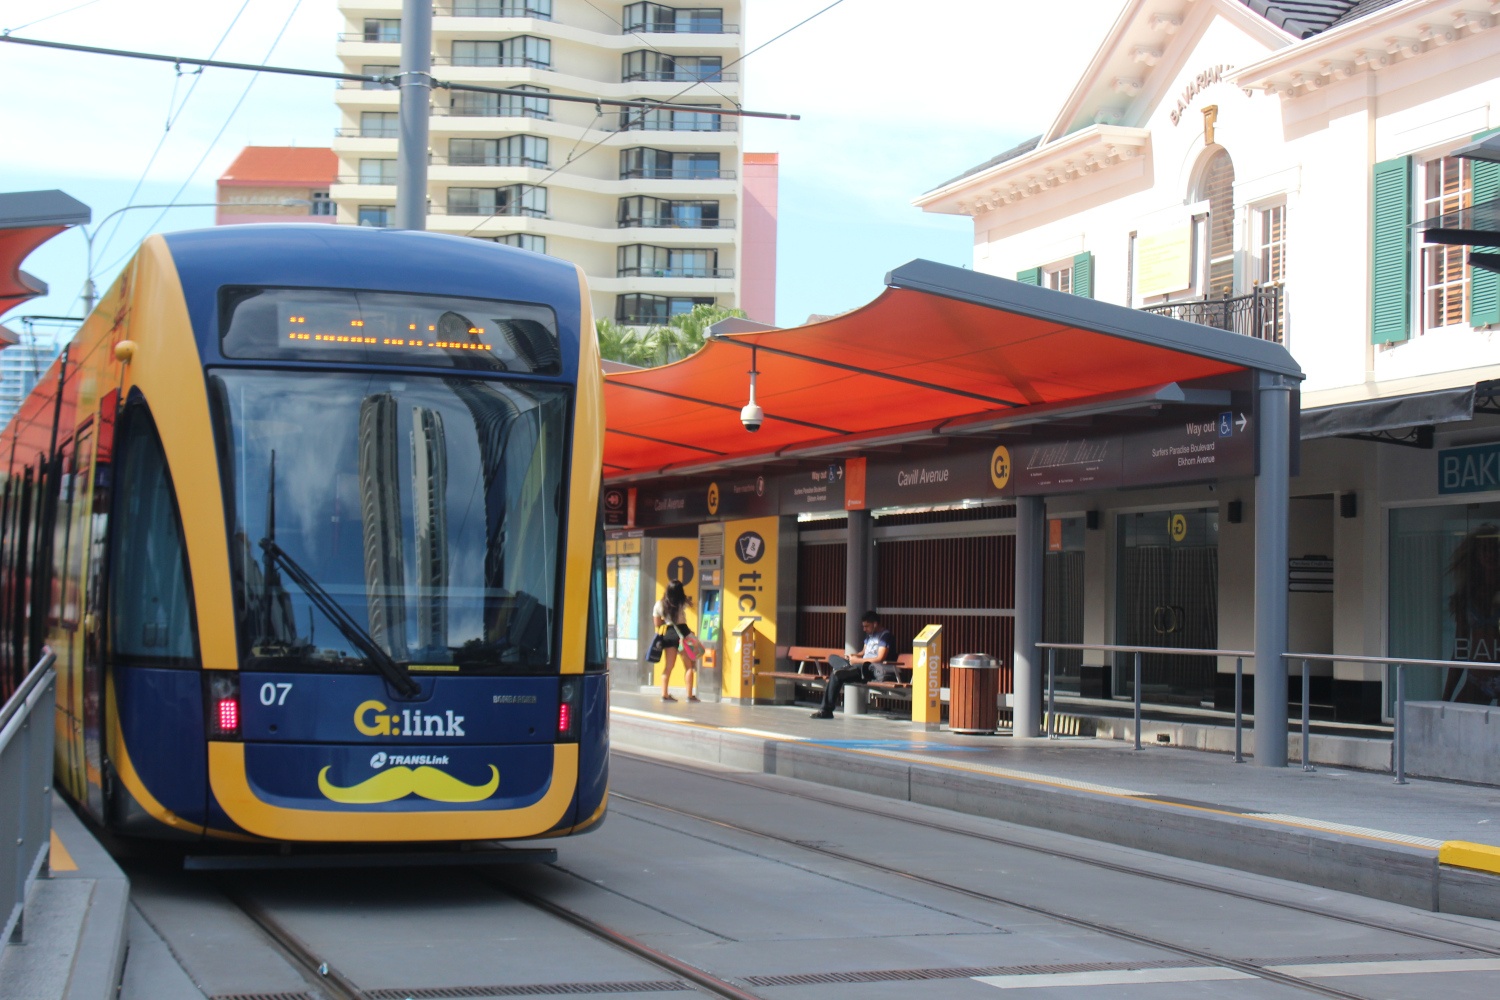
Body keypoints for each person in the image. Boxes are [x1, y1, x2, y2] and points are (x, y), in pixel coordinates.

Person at [811, 610, 896, 719]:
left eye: (867, 626)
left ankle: (826, 710)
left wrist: (857, 661)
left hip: (869, 669)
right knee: (832, 657)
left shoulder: (885, 636)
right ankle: (847, 667)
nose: (864, 629)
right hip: (858, 666)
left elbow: (879, 658)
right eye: (863, 626)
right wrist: (853, 656)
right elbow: (863, 653)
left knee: (836, 674)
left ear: (875, 624)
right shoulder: (870, 636)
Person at [654, 580, 698, 702]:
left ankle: (664, 694)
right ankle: (689, 696)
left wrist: (666, 621)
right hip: (683, 634)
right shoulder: (682, 602)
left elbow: (657, 624)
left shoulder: (659, 605)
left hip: (669, 635)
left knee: (668, 667)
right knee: (689, 667)